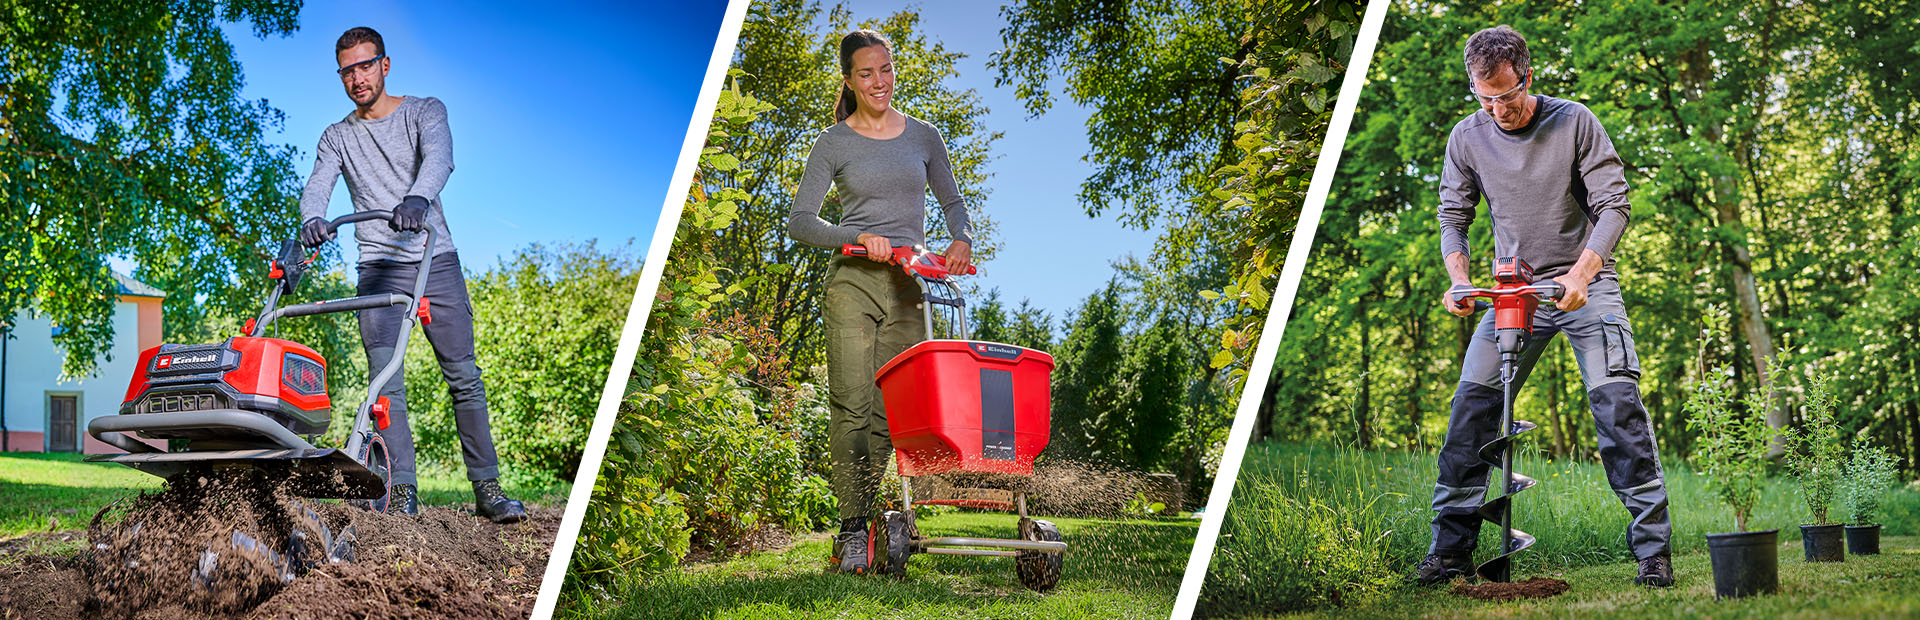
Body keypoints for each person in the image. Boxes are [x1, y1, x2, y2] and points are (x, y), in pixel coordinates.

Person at [1415, 25, 1672, 587]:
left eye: (1506, 96)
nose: (1497, 109)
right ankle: (1449, 553)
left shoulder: (1574, 120)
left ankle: (1653, 551)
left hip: (1585, 285)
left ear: (1527, 77)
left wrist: (1584, 271)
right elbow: (1452, 218)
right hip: (1513, 292)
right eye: (1485, 99)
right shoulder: (1467, 137)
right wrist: (1459, 280)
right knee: (1470, 411)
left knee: (1617, 408)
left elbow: (1614, 205)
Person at [297, 26, 526, 523]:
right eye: (347, 70)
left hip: (433, 258)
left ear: (385, 64)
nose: (357, 78)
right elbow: (318, 183)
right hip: (377, 270)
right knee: (386, 383)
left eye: (365, 65)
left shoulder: (426, 111)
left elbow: (440, 159)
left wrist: (418, 198)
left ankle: (488, 488)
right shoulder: (337, 136)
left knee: (464, 377)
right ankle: (402, 491)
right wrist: (313, 218)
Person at [786, 28, 975, 574]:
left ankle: (867, 518)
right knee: (851, 402)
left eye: (886, 70)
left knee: (891, 413)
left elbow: (953, 200)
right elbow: (801, 222)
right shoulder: (834, 143)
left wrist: (960, 238)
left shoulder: (924, 137)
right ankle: (851, 529)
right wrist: (852, 238)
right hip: (853, 282)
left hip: (909, 289)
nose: (879, 82)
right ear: (848, 79)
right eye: (866, 74)